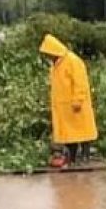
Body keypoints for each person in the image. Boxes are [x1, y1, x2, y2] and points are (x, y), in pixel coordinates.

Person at [39, 34, 97, 166]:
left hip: (76, 105)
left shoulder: (73, 61)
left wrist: (78, 100)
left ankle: (85, 157)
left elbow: (80, 83)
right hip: (64, 107)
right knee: (70, 135)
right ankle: (72, 158)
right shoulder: (56, 65)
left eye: (48, 54)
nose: (47, 57)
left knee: (84, 132)